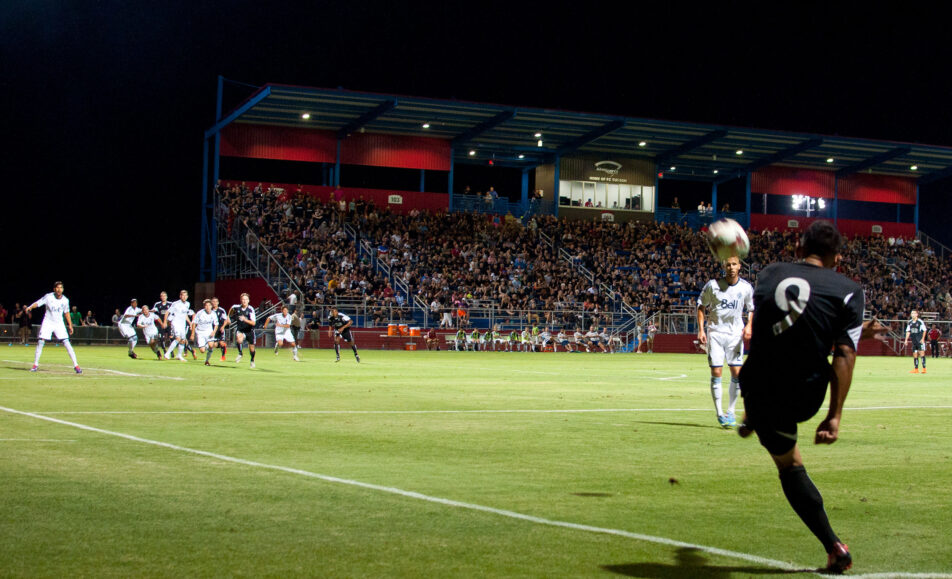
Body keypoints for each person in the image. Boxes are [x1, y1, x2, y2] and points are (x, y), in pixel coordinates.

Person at [737, 220, 887, 573]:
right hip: (806, 391)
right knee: (788, 453)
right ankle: (834, 548)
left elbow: (767, 334)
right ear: (836, 257)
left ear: (800, 248)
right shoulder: (848, 289)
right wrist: (834, 416)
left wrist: (751, 408)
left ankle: (835, 547)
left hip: (762, 387)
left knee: (788, 463)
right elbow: (844, 353)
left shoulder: (770, 273)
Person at [697, 255, 754, 428]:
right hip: (715, 333)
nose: (731, 267)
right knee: (717, 372)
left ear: (739, 267)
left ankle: (730, 410)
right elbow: (701, 306)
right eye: (728, 265)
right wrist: (701, 329)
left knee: (737, 373)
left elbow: (751, 309)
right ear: (724, 267)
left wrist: (749, 325)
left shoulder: (745, 288)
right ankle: (719, 413)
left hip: (735, 335)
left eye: (734, 264)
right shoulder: (713, 286)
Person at [26, 281, 82, 373]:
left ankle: (76, 365)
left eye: (61, 288)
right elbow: (38, 303)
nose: (59, 289)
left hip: (59, 323)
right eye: (57, 287)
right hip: (48, 322)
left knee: (67, 343)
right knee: (41, 341)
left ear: (63, 289)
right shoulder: (48, 297)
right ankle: (35, 365)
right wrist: (30, 307)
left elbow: (67, 313)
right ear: (54, 289)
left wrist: (70, 326)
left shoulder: (65, 300)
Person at [230, 292, 257, 368]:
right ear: (240, 300)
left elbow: (253, 323)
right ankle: (240, 353)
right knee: (239, 339)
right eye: (243, 299)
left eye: (246, 299)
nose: (244, 301)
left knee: (252, 349)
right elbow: (232, 309)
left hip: (250, 331)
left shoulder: (250, 309)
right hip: (241, 330)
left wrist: (245, 320)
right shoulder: (237, 307)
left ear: (248, 300)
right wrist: (228, 317)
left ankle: (252, 360)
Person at [163, 290, 191, 362]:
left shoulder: (187, 304)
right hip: (175, 323)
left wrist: (190, 322)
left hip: (182, 324)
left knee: (183, 340)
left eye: (185, 295)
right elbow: (167, 312)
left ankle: (179, 355)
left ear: (187, 296)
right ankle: (167, 353)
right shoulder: (175, 304)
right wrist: (165, 322)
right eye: (183, 295)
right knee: (178, 338)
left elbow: (185, 315)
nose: (184, 297)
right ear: (180, 296)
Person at [190, 299, 220, 366]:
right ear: (204, 307)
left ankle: (207, 361)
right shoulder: (200, 313)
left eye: (209, 305)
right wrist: (192, 334)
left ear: (211, 306)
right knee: (202, 351)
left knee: (211, 345)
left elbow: (216, 324)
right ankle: (205, 345)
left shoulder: (213, 313)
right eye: (206, 305)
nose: (208, 307)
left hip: (209, 332)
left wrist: (214, 332)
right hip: (200, 332)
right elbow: (194, 323)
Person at [210, 297, 229, 361]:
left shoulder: (221, 310)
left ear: (218, 303)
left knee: (221, 342)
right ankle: (223, 346)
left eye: (216, 301)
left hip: (220, 328)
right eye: (213, 301)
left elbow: (225, 320)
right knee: (215, 344)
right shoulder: (210, 310)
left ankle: (223, 356)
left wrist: (223, 327)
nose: (214, 303)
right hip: (213, 329)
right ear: (211, 302)